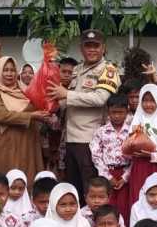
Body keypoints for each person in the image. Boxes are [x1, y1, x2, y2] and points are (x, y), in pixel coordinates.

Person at [47, 29, 120, 198]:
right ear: (81, 48)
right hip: (70, 139)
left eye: (96, 46)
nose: (92, 50)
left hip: (90, 140)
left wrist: (66, 94)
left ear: (103, 48)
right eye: (88, 46)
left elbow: (100, 98)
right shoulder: (77, 70)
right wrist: (50, 106)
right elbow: (67, 102)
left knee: (91, 190)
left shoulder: (107, 70)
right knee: (74, 189)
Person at [0, 55, 49, 183]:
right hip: (6, 143)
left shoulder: (24, 90)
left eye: (12, 70)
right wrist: (31, 116)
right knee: (7, 180)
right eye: (5, 70)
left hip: (27, 142)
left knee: (27, 177)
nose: (9, 74)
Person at [89, 93, 132, 218]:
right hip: (107, 174)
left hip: (125, 175)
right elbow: (96, 156)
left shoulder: (132, 131)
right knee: (107, 206)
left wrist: (125, 177)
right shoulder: (101, 132)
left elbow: (136, 157)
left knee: (125, 207)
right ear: (108, 111)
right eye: (113, 112)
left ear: (127, 111)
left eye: (121, 112)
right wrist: (108, 176)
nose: (117, 116)